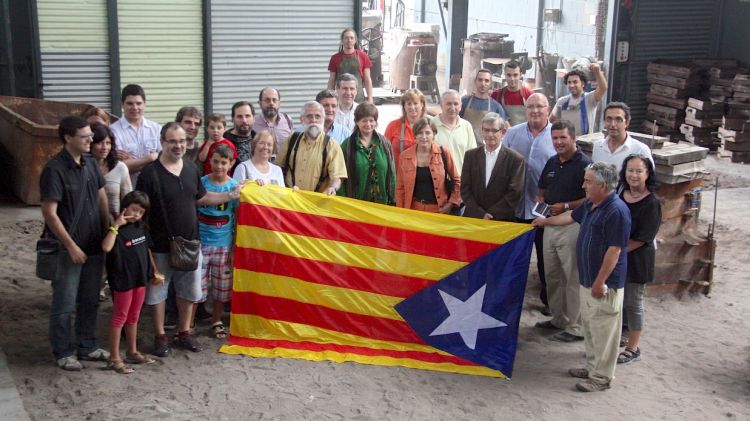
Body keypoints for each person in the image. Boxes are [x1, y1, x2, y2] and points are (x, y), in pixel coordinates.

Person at [136, 122, 242, 357]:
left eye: (182, 141)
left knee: (188, 291)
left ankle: (184, 332)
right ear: (162, 142)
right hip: (160, 246)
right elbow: (141, 212)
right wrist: (146, 246)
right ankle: (160, 335)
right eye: (172, 141)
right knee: (157, 294)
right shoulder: (149, 174)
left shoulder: (191, 169)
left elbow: (202, 198)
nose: (178, 145)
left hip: (191, 244)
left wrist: (231, 194)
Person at [532, 162, 631, 393]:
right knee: (591, 328)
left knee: (604, 331)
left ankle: (601, 378)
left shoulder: (616, 211)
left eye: (587, 181)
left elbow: (615, 250)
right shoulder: (591, 204)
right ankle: (592, 367)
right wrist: (546, 221)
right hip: (588, 280)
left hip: (604, 284)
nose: (583, 185)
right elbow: (568, 218)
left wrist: (600, 281)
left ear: (602, 185)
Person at [40, 115, 111, 371]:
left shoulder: (91, 164)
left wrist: (109, 228)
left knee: (90, 299)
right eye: (85, 136)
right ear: (68, 138)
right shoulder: (54, 169)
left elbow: (101, 196)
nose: (91, 140)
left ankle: (88, 345)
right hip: (67, 249)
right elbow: (49, 212)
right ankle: (62, 351)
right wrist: (70, 245)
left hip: (93, 244)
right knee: (64, 302)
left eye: (91, 136)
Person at [534, 120, 592, 343]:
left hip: (572, 226)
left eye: (563, 138)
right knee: (552, 275)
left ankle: (576, 326)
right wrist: (540, 199)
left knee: (572, 276)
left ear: (573, 139)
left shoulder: (585, 165)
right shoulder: (551, 162)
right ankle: (559, 318)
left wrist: (567, 206)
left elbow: (590, 198)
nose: (558, 142)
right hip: (549, 224)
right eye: (555, 138)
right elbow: (542, 188)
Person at [504, 93, 557, 314]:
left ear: (549, 109)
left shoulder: (557, 135)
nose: (535, 111)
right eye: (531, 106)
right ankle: (508, 299)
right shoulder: (512, 134)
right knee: (513, 259)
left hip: (544, 211)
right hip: (514, 207)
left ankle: (549, 301)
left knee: (546, 259)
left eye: (540, 106)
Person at [102, 190, 158, 374]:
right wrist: (116, 225)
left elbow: (147, 249)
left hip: (139, 279)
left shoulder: (141, 227)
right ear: (125, 207)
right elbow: (106, 247)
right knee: (120, 317)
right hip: (122, 280)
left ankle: (132, 351)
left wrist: (154, 270)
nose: (136, 215)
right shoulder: (117, 229)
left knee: (134, 316)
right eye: (134, 210)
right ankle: (114, 357)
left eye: (140, 212)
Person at [617, 154, 661, 365]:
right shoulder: (619, 193)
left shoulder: (652, 202)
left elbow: (644, 238)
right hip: (616, 256)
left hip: (636, 259)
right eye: (630, 170)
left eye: (639, 171)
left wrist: (615, 251)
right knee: (616, 302)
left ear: (648, 173)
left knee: (634, 303)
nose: (633, 175)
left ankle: (632, 347)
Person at [198, 144, 239, 340]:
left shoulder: (234, 187)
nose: (219, 166)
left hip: (224, 244)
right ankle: (189, 322)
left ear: (231, 164)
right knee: (197, 286)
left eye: (224, 163)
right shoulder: (201, 183)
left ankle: (216, 320)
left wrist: (234, 247)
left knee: (222, 288)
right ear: (210, 161)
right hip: (200, 243)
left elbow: (238, 218)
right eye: (215, 161)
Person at [460, 113, 524, 222]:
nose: (490, 134)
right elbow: (465, 188)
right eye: (486, 130)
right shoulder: (470, 156)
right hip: (473, 218)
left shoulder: (515, 159)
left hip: (501, 221)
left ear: (503, 132)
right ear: (482, 131)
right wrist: (480, 214)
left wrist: (490, 215)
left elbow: (514, 192)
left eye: (494, 130)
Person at [277, 101, 347, 194]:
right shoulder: (292, 139)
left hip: (316, 204)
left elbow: (337, 177)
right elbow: (277, 168)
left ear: (323, 119)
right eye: (309, 116)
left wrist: (333, 188)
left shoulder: (332, 145)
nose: (313, 120)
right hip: (291, 201)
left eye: (317, 116)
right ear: (302, 119)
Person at [396, 117, 461, 213]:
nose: (423, 136)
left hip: (439, 210)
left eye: (427, 133)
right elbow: (400, 188)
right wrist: (400, 213)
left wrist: (451, 204)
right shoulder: (404, 156)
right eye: (420, 133)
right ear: (415, 135)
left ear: (434, 135)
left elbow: (457, 181)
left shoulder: (444, 152)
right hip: (413, 211)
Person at [338, 102, 396, 205]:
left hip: (382, 203)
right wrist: (343, 201)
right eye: (364, 121)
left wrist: (394, 199)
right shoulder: (348, 145)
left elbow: (392, 173)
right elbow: (339, 174)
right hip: (357, 205)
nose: (368, 124)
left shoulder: (385, 144)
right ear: (356, 122)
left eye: (371, 120)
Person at [110, 84, 161, 185]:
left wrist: (133, 163)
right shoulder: (113, 131)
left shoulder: (156, 129)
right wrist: (149, 158)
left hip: (154, 187)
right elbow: (119, 167)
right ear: (122, 104)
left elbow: (164, 162)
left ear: (144, 104)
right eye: (130, 103)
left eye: (139, 103)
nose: (135, 107)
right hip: (128, 189)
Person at [592, 102, 654, 172]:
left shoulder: (640, 150)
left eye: (618, 120)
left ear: (627, 123)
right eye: (609, 119)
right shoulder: (597, 147)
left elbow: (650, 179)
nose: (613, 124)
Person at [550, 63, 608, 136]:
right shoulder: (562, 101)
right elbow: (551, 121)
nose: (571, 85)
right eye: (569, 82)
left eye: (575, 82)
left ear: (582, 84)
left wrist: (597, 71)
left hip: (584, 143)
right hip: (565, 143)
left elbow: (603, 88)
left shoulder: (590, 98)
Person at [90, 122, 132, 220]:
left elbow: (128, 200)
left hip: (114, 225)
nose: (105, 147)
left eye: (108, 143)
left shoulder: (120, 168)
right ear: (90, 144)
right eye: (100, 143)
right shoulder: (82, 167)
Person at [432, 89, 476, 173]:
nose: (452, 108)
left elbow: (472, 157)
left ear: (460, 106)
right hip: (438, 180)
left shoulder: (466, 126)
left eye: (456, 104)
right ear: (441, 105)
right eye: (448, 104)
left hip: (461, 179)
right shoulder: (431, 125)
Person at [460, 69, 508, 146]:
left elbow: (504, 130)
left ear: (490, 83)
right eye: (480, 80)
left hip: (485, 149)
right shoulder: (464, 101)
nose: (483, 83)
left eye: (486, 81)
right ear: (475, 81)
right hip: (465, 146)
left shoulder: (496, 106)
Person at [327, 27, 373, 104]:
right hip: (340, 98)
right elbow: (331, 81)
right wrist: (329, 98)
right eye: (346, 38)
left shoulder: (363, 56)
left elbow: (367, 79)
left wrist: (370, 98)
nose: (349, 40)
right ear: (342, 41)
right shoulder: (335, 58)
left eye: (351, 38)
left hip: (358, 98)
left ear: (355, 40)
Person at [384, 88, 426, 165]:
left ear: (422, 105)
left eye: (415, 103)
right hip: (398, 174)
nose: (412, 107)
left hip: (422, 174)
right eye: (409, 104)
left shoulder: (429, 126)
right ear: (404, 106)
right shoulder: (393, 126)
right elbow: (383, 152)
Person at [491, 60, 534, 126]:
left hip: (524, 134)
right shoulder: (496, 95)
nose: (512, 79)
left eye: (515, 75)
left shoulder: (529, 95)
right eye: (509, 75)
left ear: (520, 75)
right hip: (504, 135)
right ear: (504, 75)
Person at [253, 87, 294, 154]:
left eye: (274, 100)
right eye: (267, 100)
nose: (271, 103)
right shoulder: (253, 122)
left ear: (279, 103)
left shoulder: (287, 120)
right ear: (259, 103)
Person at [223, 101, 256, 166]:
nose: (244, 120)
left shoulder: (258, 139)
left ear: (254, 118)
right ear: (232, 119)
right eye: (239, 117)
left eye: (247, 116)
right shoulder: (224, 141)